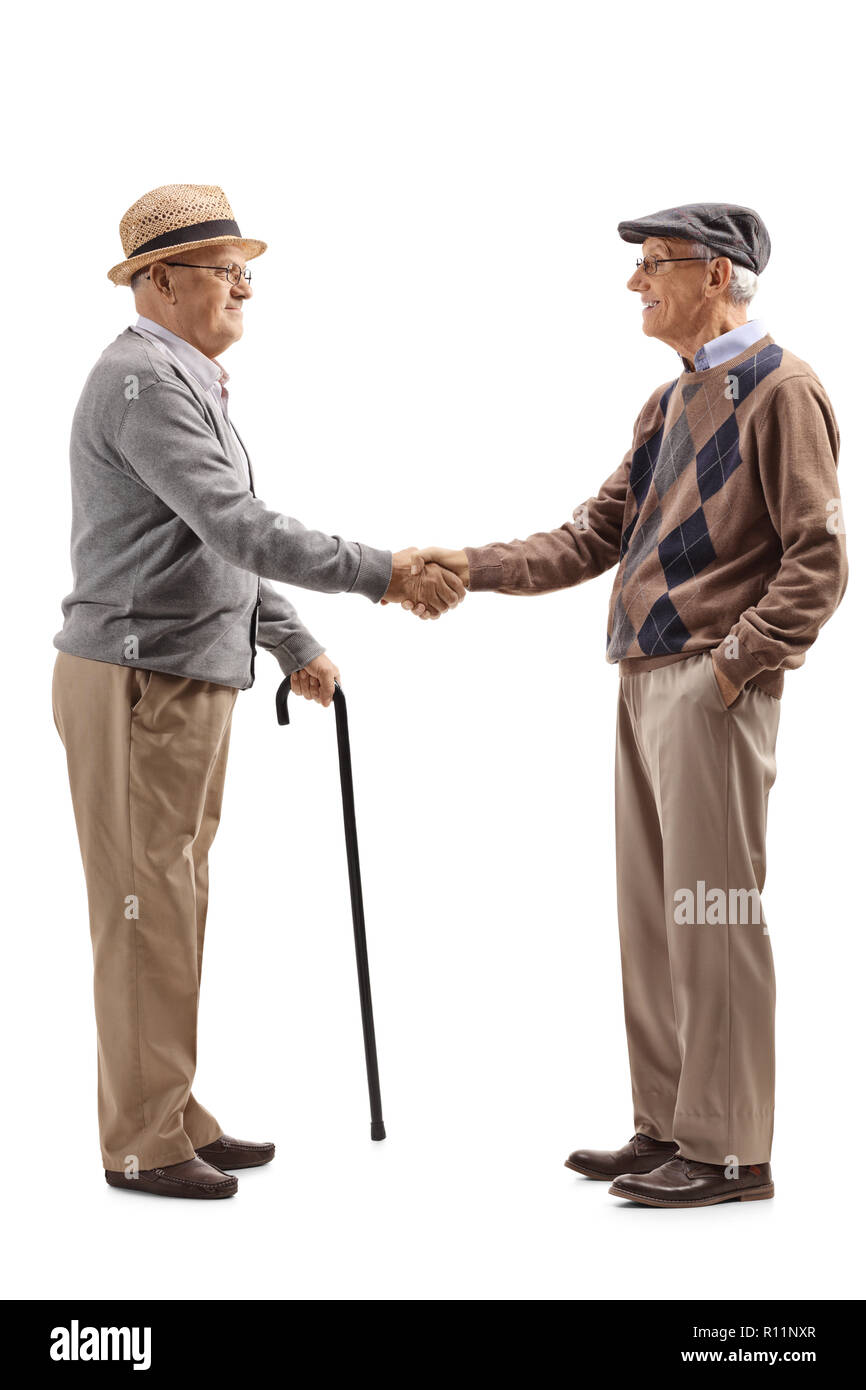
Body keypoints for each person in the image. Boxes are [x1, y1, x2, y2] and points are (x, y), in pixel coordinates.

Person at [417, 203, 848, 1207]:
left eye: (653, 264)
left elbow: (818, 559)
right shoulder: (667, 405)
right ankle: (668, 1125)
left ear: (716, 273)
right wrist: (464, 565)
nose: (633, 282)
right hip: (642, 678)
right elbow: (586, 536)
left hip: (707, 684)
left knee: (715, 913)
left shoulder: (780, 390)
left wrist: (733, 667)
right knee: (656, 917)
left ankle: (730, 1150)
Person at [52, 183, 463, 1200]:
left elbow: (210, 544)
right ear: (158, 279)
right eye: (221, 262)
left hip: (179, 677)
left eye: (246, 262)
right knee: (146, 910)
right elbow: (238, 526)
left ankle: (170, 1111)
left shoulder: (182, 379)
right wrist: (382, 569)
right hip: (140, 681)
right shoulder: (145, 382)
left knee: (173, 904)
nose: (245, 280)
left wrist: (288, 641)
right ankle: (142, 1142)